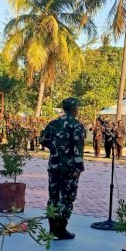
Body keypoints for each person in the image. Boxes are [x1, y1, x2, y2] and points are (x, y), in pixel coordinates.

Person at [39, 97, 85, 240]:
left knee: (53, 196)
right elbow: (78, 148)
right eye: (77, 107)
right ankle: (61, 230)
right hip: (70, 167)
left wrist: (55, 149)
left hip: (54, 165)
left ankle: (53, 229)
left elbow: (43, 139)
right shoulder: (76, 125)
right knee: (67, 197)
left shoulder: (53, 123)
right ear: (74, 108)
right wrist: (79, 168)